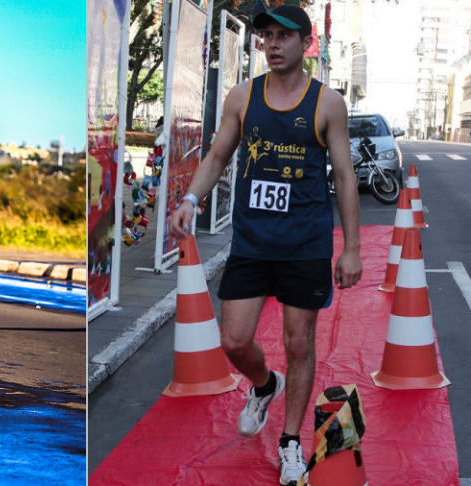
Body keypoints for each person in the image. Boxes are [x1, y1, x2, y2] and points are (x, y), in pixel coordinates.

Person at [169, 6, 362, 486]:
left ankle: (291, 441)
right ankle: (264, 384)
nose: (273, 44)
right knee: (233, 340)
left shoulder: (327, 104)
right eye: (266, 36)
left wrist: (352, 247)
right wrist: (191, 198)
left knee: (300, 344)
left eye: (283, 36)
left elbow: (343, 176)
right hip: (253, 243)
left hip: (305, 246)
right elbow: (217, 155)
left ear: (305, 43)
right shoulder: (242, 97)